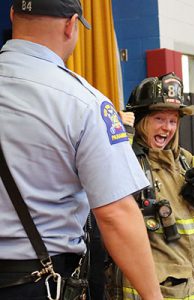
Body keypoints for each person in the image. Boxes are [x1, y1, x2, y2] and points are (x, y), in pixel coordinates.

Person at [0, 1, 163, 299]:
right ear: (71, 24)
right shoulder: (83, 102)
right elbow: (115, 214)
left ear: (13, 15)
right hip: (36, 282)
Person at [112, 72, 194, 299]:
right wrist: (120, 136)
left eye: (173, 121)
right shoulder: (131, 162)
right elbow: (111, 175)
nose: (167, 128)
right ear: (141, 121)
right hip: (163, 289)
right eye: (159, 119)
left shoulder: (182, 160)